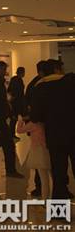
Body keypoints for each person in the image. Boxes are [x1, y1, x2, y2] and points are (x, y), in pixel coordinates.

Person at [31, 59, 75, 198]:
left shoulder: (40, 87)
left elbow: (35, 116)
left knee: (58, 171)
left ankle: (59, 205)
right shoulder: (71, 82)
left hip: (55, 134)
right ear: (56, 69)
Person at [24, 60, 47, 196]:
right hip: (41, 126)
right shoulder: (39, 85)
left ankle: (40, 187)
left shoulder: (34, 84)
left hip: (37, 127)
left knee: (40, 158)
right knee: (42, 158)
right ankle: (41, 187)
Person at [16, 115, 51, 198]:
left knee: (43, 178)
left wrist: (20, 120)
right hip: (47, 150)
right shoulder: (44, 123)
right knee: (51, 177)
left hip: (37, 152)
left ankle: (45, 199)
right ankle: (52, 197)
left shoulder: (33, 124)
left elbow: (19, 130)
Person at [8, 67, 25, 140]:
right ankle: (12, 134)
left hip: (15, 102)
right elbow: (18, 92)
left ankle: (11, 134)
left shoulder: (15, 79)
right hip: (16, 103)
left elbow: (9, 90)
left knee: (14, 119)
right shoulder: (18, 80)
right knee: (14, 119)